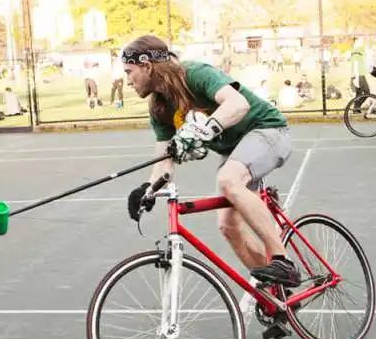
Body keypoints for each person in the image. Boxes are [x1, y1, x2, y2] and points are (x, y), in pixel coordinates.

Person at [122, 34, 301, 299]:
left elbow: (238, 104)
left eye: (129, 71)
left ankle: (283, 262)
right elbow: (164, 161)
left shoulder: (194, 74)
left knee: (230, 180)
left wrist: (206, 129)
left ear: (147, 65)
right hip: (234, 151)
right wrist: (148, 188)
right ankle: (277, 299)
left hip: (267, 131)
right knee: (227, 226)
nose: (128, 80)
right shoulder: (159, 107)